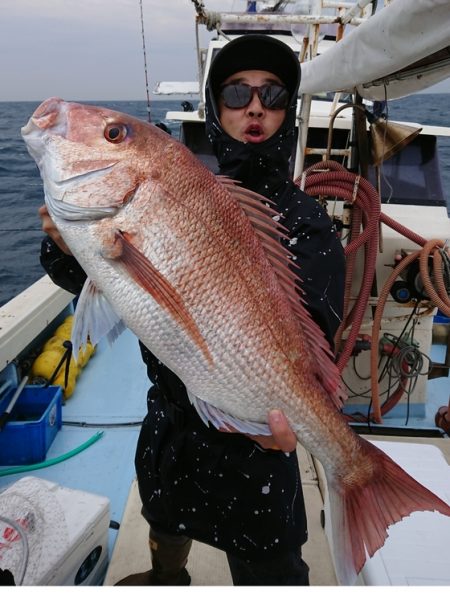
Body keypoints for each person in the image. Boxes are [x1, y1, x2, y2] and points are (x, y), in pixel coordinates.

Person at [39, 34, 345, 586]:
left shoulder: (306, 221)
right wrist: (64, 248)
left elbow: (315, 327)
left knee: (271, 568)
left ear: (288, 112)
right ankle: (165, 579)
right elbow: (101, 286)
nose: (255, 106)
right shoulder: (181, 184)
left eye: (273, 94)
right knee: (164, 523)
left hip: (255, 453)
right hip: (171, 425)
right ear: (214, 108)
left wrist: (280, 414)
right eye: (236, 93)